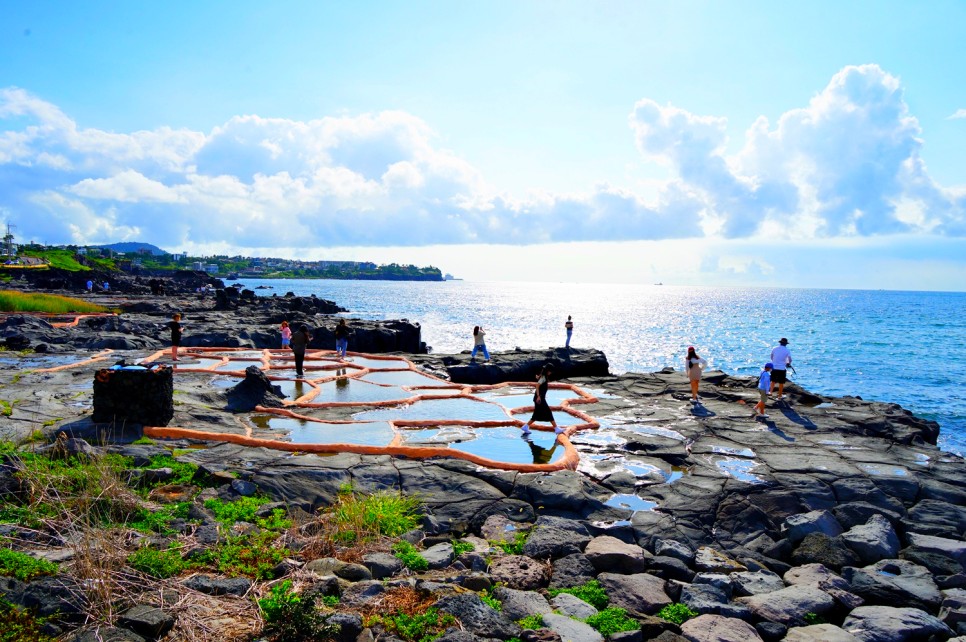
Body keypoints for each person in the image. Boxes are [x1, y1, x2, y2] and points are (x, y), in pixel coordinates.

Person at [521, 363, 562, 435]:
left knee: (536, 414)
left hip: (540, 398)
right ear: (547, 371)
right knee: (548, 412)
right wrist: (539, 396)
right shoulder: (543, 377)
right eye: (550, 371)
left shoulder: (543, 377)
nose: (550, 373)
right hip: (539, 399)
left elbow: (538, 380)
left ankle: (526, 426)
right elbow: (537, 386)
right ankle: (556, 428)